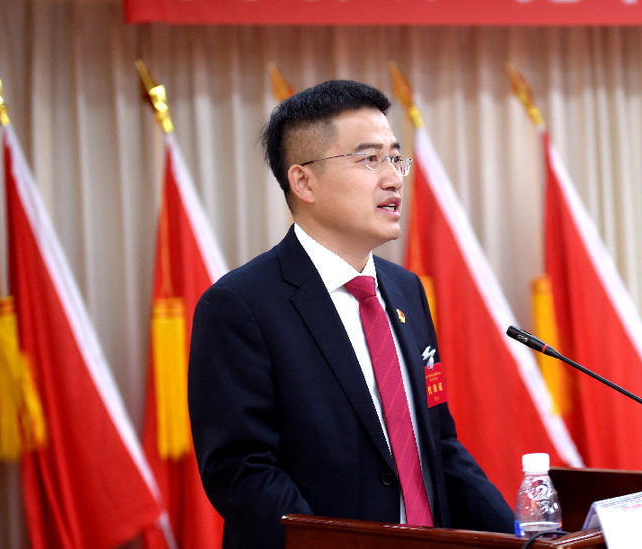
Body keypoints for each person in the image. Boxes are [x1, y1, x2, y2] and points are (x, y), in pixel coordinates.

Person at [188, 79, 514, 549]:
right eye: (369, 159)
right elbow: (242, 473)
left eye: (395, 158)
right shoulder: (240, 306)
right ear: (304, 182)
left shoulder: (405, 290)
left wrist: (524, 539)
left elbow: (438, 446)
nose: (394, 178)